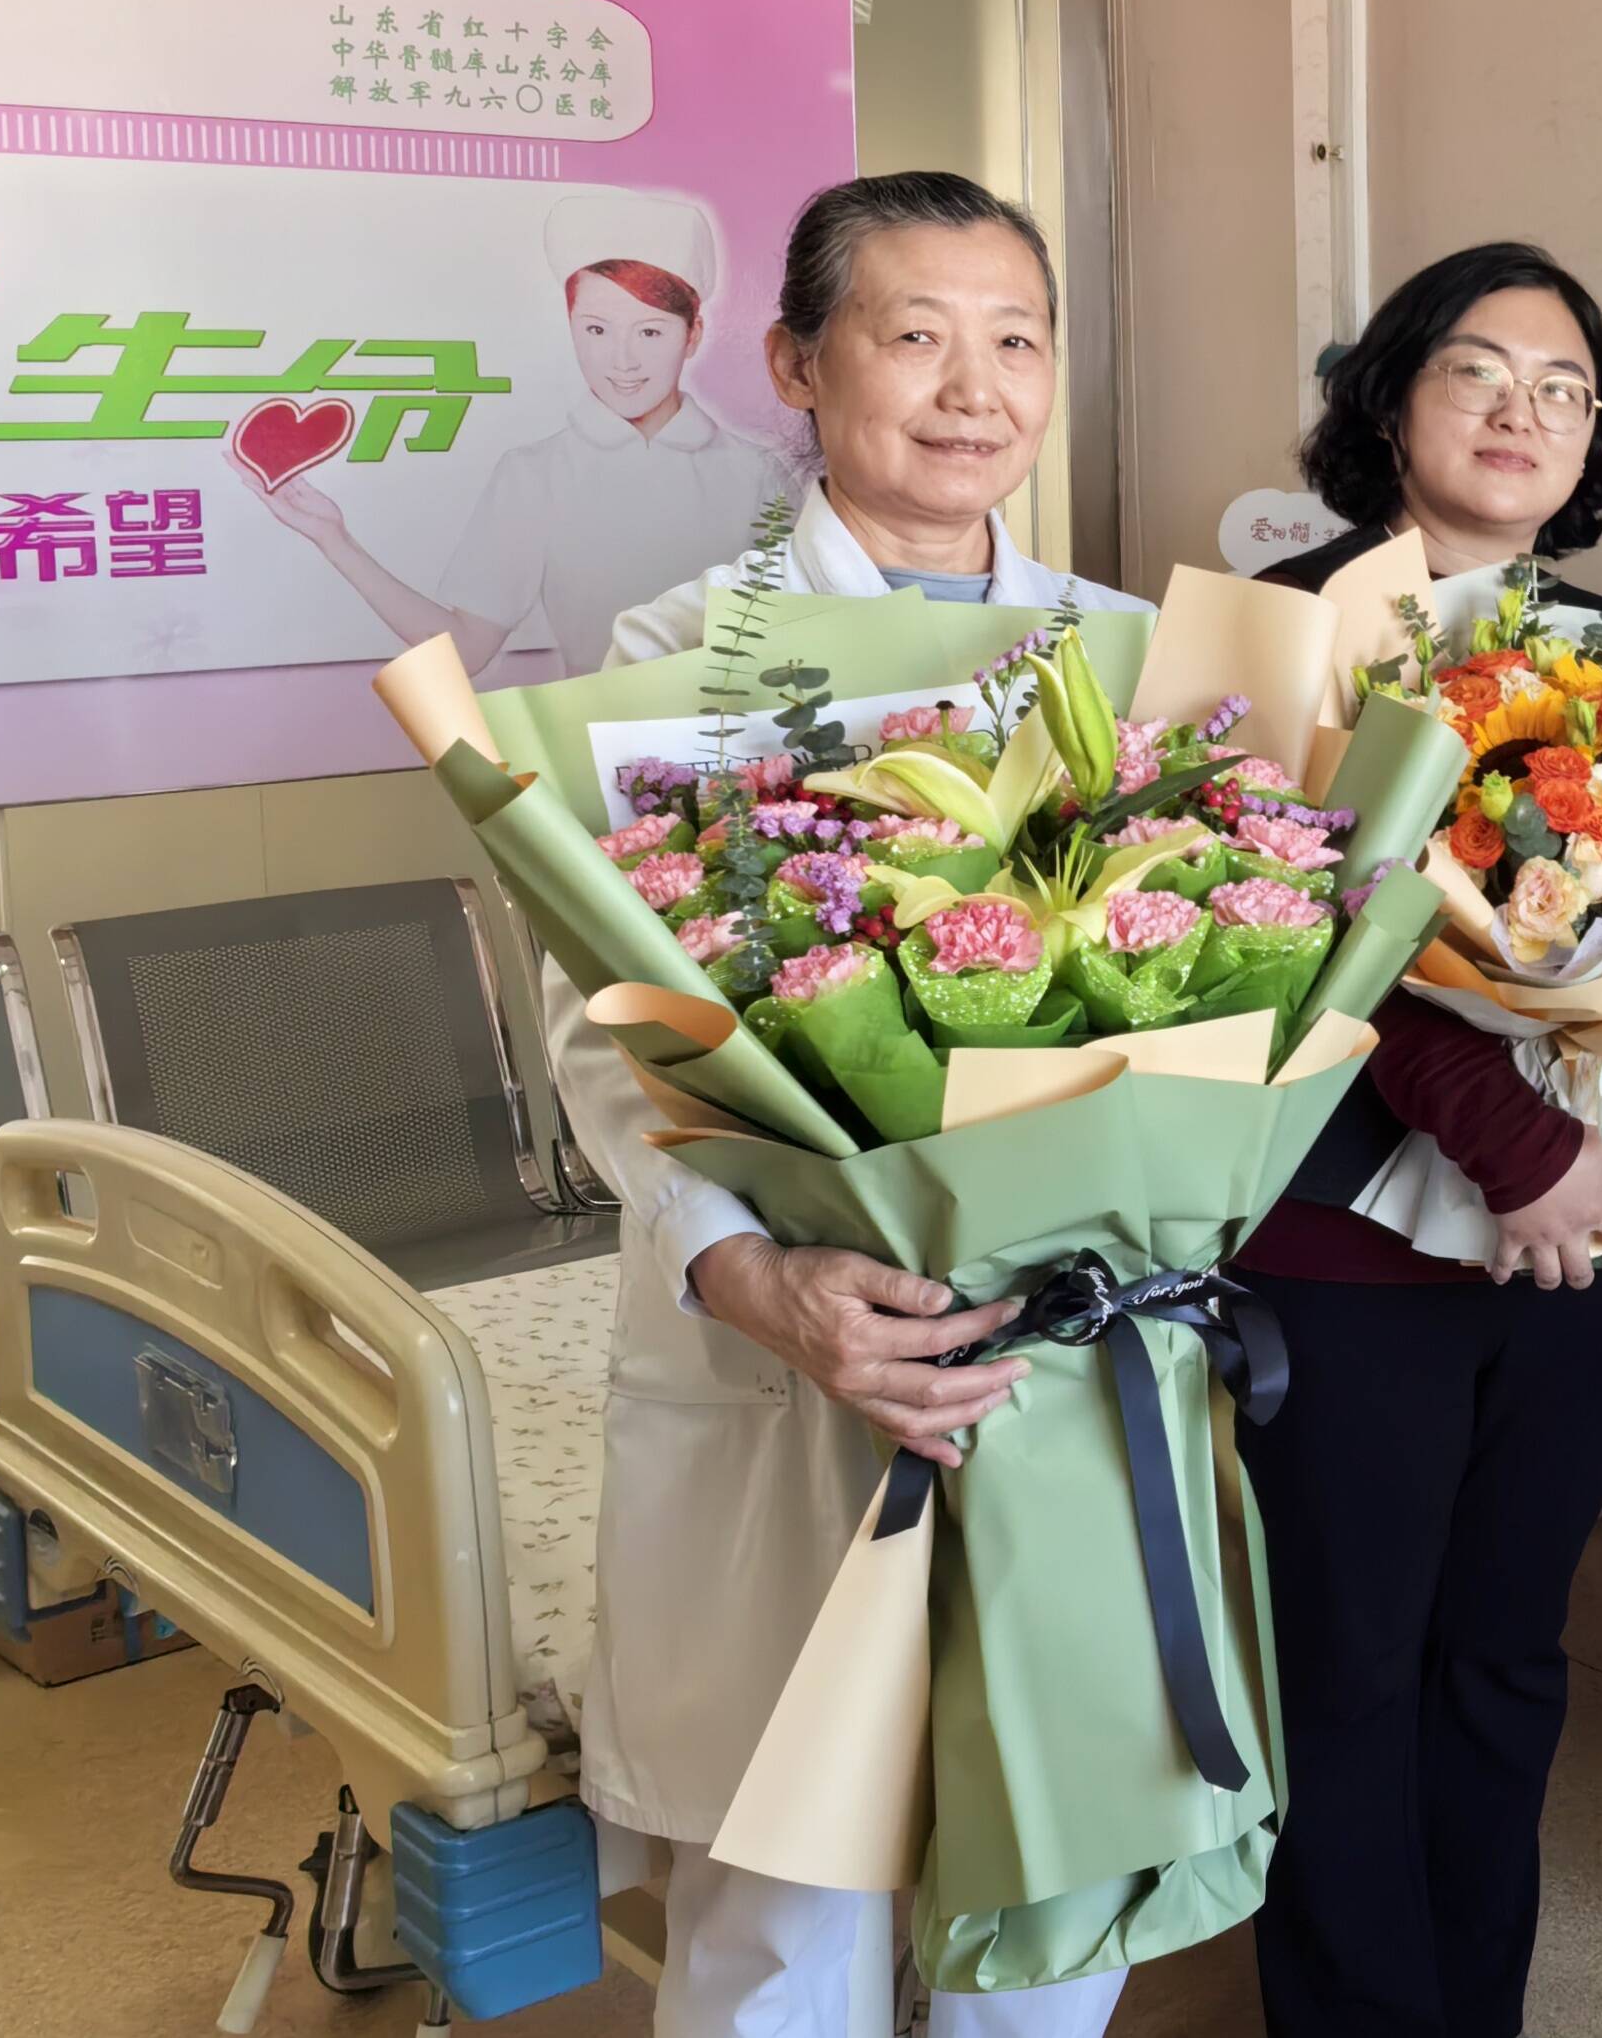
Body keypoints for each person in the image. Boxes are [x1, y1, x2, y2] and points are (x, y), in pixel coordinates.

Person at [538, 170, 1147, 2038]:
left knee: (1045, 1890)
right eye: (916, 335)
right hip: (791, 1348)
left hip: (1060, 1355)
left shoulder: (1130, 652)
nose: (975, 387)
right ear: (800, 364)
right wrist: (748, 1275)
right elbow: (605, 1023)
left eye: (1016, 339)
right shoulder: (679, 650)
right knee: (782, 1915)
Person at [1234, 241, 1602, 2038]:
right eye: (1478, 371)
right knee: (1349, 1667)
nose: (1524, 411)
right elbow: (1284, 951)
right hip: (1345, 1247)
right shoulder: (1270, 640)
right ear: (1389, 397)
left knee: (1508, 1654)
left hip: (1581, 1249)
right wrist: (1518, 1149)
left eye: (1565, 389)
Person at [252, 188, 787, 677]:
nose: (622, 360)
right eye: (596, 329)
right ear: (571, 325)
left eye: (650, 331)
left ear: (693, 334)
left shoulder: (758, 474)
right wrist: (335, 539)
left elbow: (797, 641)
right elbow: (464, 650)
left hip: (743, 746)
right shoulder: (536, 474)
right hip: (593, 741)